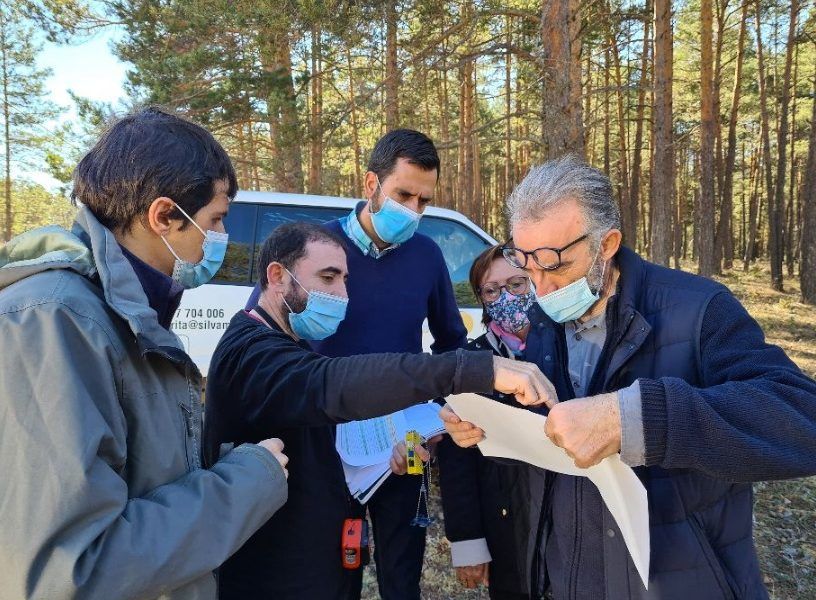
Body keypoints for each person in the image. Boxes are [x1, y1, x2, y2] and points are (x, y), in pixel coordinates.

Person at [442, 155, 816, 599]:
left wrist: (635, 419)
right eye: (525, 262)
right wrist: (489, 429)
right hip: (560, 578)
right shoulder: (544, 320)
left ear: (606, 243)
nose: (539, 287)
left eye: (554, 263)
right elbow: (555, 448)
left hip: (669, 581)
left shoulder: (698, 311)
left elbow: (801, 420)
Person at [0, 107, 290, 600]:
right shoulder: (54, 323)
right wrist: (246, 483)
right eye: (216, 221)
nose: (221, 241)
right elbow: (70, 570)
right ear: (162, 217)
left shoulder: (127, 316)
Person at [203, 222, 555, 600]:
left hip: (394, 462)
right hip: (280, 572)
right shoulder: (254, 353)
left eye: (345, 281)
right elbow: (333, 384)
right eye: (328, 278)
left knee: (402, 573)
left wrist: (424, 438)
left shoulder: (425, 257)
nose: (342, 294)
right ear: (277, 277)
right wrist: (474, 369)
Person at [244, 128, 468, 600]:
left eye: (424, 201)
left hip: (403, 443)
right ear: (371, 184)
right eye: (403, 194)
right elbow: (263, 332)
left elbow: (451, 344)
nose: (413, 211)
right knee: (329, 570)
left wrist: (432, 425)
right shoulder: (314, 249)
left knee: (402, 571)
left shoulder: (427, 255)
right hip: (323, 443)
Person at [437, 244, 547, 599]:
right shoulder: (470, 361)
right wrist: (467, 540)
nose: (506, 298)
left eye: (516, 284)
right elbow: (456, 460)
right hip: (503, 520)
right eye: (492, 290)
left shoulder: (570, 347)